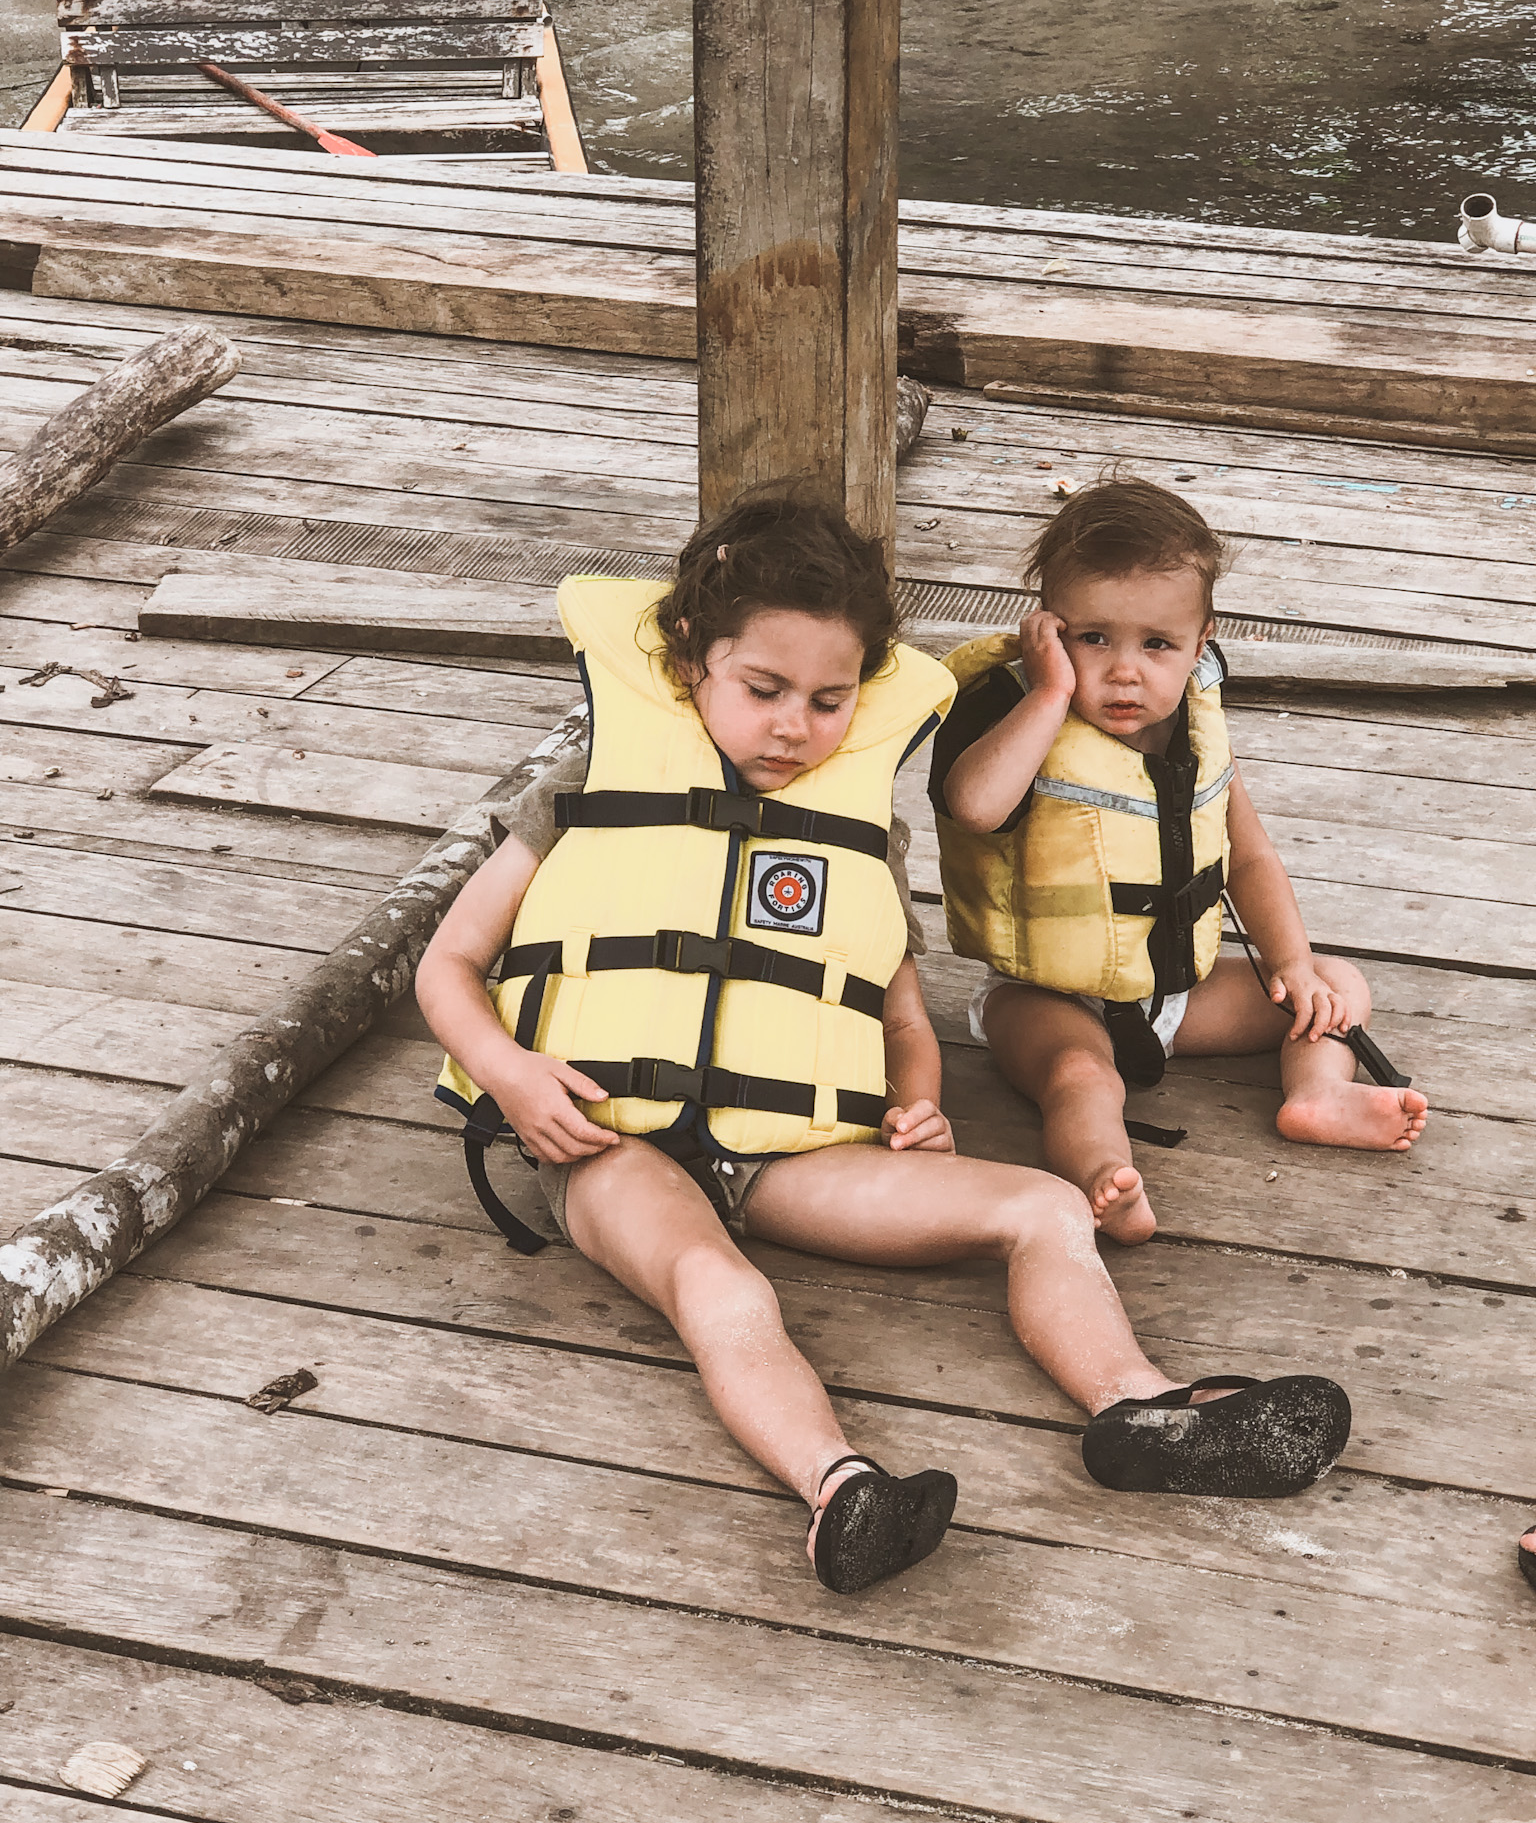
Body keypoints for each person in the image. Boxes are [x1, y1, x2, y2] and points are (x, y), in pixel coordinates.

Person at [417, 487, 1353, 1597]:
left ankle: (1140, 1406)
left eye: (828, 698)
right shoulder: (586, 793)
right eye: (762, 690)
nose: (792, 726)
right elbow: (448, 965)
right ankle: (840, 1487)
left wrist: (919, 1099)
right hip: (608, 1147)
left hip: (790, 1154)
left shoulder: (856, 821)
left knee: (1043, 1205)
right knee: (721, 1290)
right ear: (689, 663)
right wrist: (515, 1073)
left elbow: (901, 1009)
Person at [930, 476, 1429, 1247]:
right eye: (1093, 637)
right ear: (1048, 630)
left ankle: (1318, 1096)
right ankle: (1104, 1178)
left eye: (1156, 644)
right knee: (1080, 1079)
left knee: (1336, 985)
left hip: (1176, 998)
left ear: (1201, 641)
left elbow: (1252, 858)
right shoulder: (1027, 715)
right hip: (1042, 998)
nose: (1125, 670)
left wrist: (1291, 962)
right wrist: (1049, 692)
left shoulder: (1195, 735)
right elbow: (976, 805)